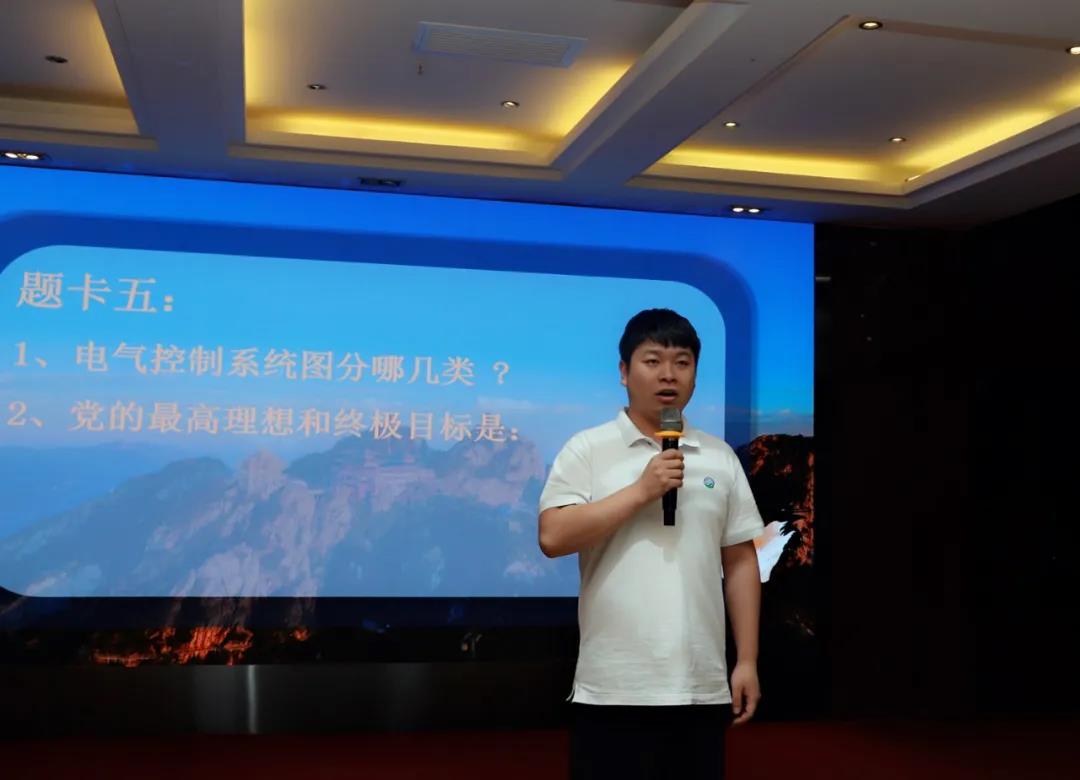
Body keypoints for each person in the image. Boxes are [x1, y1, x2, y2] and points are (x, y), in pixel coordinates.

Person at [538, 308, 764, 779]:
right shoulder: (588, 448)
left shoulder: (719, 457)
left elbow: (741, 560)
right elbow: (553, 536)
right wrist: (641, 491)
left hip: (699, 685)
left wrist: (746, 660)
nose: (668, 374)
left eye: (682, 362)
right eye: (653, 360)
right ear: (624, 372)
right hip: (613, 686)